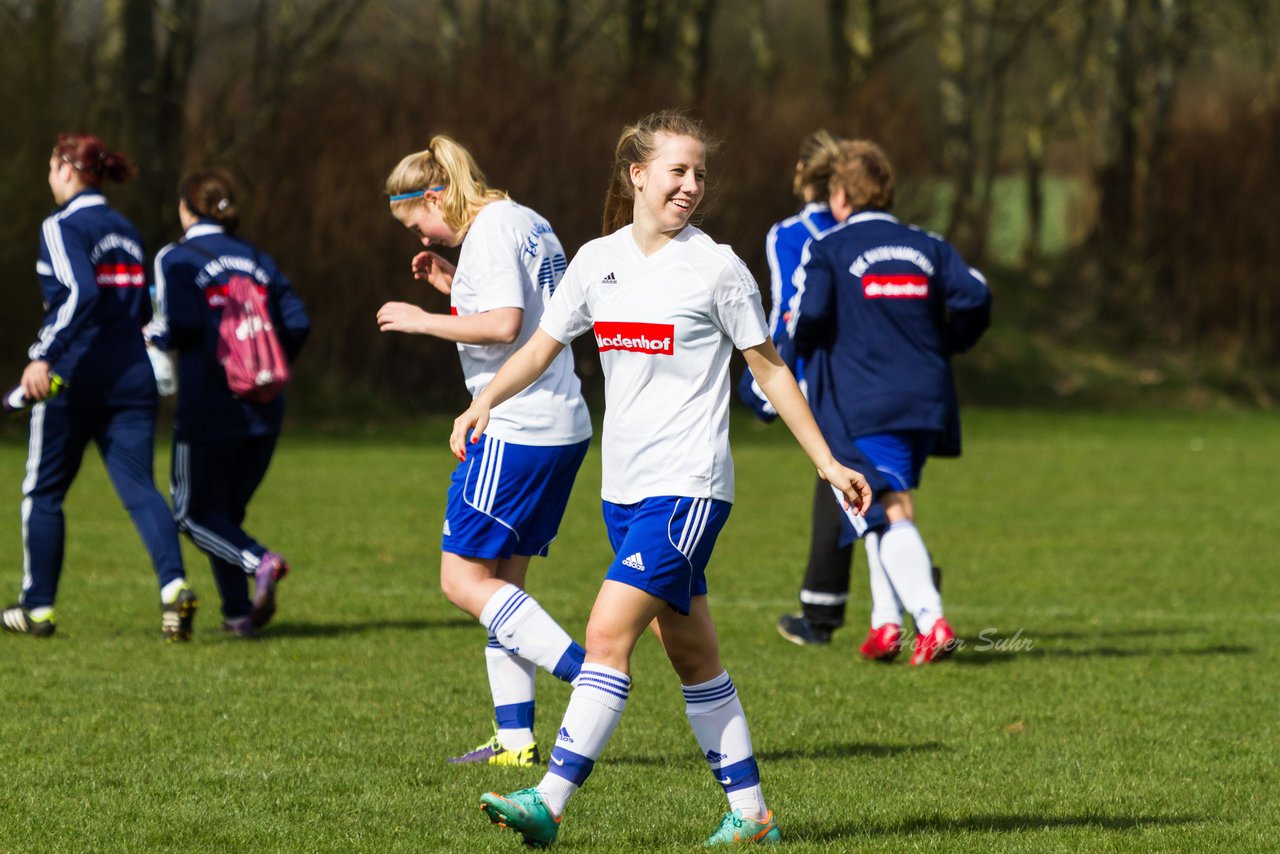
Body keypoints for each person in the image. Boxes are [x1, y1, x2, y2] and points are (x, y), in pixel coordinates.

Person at [454, 110, 872, 849]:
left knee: (605, 634)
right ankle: (751, 815)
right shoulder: (596, 261)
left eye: (699, 174)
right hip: (623, 492)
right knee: (694, 656)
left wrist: (827, 461)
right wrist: (485, 399)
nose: (690, 185)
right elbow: (543, 346)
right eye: (677, 171)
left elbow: (769, 368)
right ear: (636, 174)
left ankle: (547, 802)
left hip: (689, 488)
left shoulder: (717, 267)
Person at [376, 136, 592, 766]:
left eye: (420, 222)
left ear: (437, 193)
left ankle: (591, 677)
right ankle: (516, 741)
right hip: (558, 423)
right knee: (503, 583)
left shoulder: (492, 228)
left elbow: (503, 324)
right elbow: (525, 317)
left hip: (517, 427)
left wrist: (423, 319)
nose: (423, 237)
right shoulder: (523, 218)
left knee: (462, 579)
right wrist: (452, 282)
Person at [790, 139, 991, 665]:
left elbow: (809, 317)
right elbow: (975, 296)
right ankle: (885, 625)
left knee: (885, 505)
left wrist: (792, 360)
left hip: (864, 401)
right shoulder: (927, 245)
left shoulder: (829, 249)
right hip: (927, 401)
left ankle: (930, 621)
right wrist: (949, 341)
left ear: (839, 198)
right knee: (877, 502)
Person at [3, 133, 198, 640]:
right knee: (139, 489)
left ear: (68, 169)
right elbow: (131, 307)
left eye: (51, 167)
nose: (49, 178)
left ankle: (37, 608)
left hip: (75, 376)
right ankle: (174, 588)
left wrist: (43, 353)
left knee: (42, 493)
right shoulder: (126, 229)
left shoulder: (61, 225)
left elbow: (79, 293)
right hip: (132, 375)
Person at [150, 170, 311, 637]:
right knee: (225, 514)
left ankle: (260, 562)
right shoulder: (258, 257)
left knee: (191, 513)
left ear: (186, 207)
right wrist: (263, 363)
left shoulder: (176, 256)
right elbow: (298, 323)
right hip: (265, 407)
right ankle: (239, 613)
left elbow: (179, 323)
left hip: (209, 406)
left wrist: (153, 336)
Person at [732, 130, 861, 648]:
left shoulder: (790, 232)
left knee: (836, 475)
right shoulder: (860, 226)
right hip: (870, 368)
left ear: (800, 176)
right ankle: (898, 606)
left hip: (821, 370)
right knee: (869, 481)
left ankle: (829, 614)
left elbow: (789, 306)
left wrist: (765, 382)